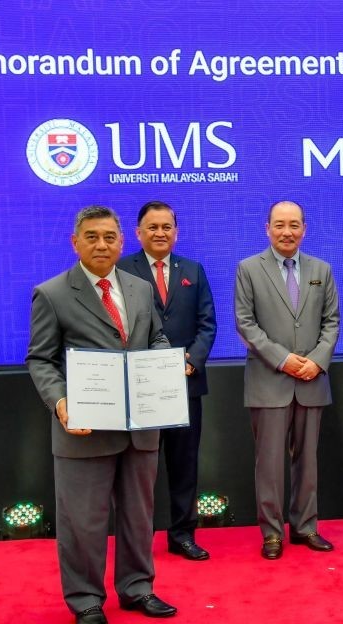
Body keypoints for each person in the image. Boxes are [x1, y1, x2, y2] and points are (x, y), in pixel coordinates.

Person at [26, 205, 178, 623]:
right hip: (85, 430)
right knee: (82, 523)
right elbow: (40, 359)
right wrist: (61, 403)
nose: (101, 244)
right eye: (91, 236)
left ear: (122, 242)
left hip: (141, 426)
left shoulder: (140, 288)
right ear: (75, 242)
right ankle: (86, 600)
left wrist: (165, 364)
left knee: (139, 516)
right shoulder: (52, 293)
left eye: (110, 237)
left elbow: (156, 337)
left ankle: (137, 588)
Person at [234, 200, 339, 559]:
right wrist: (283, 359)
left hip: (312, 380)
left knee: (308, 462)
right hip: (268, 381)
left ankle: (306, 526)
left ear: (304, 229)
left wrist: (317, 362)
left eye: (294, 225)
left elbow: (331, 322)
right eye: (279, 225)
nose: (287, 232)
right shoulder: (248, 268)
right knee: (269, 464)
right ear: (267, 228)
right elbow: (245, 323)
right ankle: (272, 533)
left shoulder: (322, 269)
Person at [117, 201, 216, 561]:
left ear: (176, 231)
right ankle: (137, 538)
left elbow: (207, 324)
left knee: (184, 464)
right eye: (153, 227)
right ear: (138, 232)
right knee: (138, 470)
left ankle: (182, 534)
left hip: (185, 386)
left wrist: (191, 361)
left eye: (167, 227)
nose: (160, 233)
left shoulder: (193, 270)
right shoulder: (121, 270)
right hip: (139, 388)